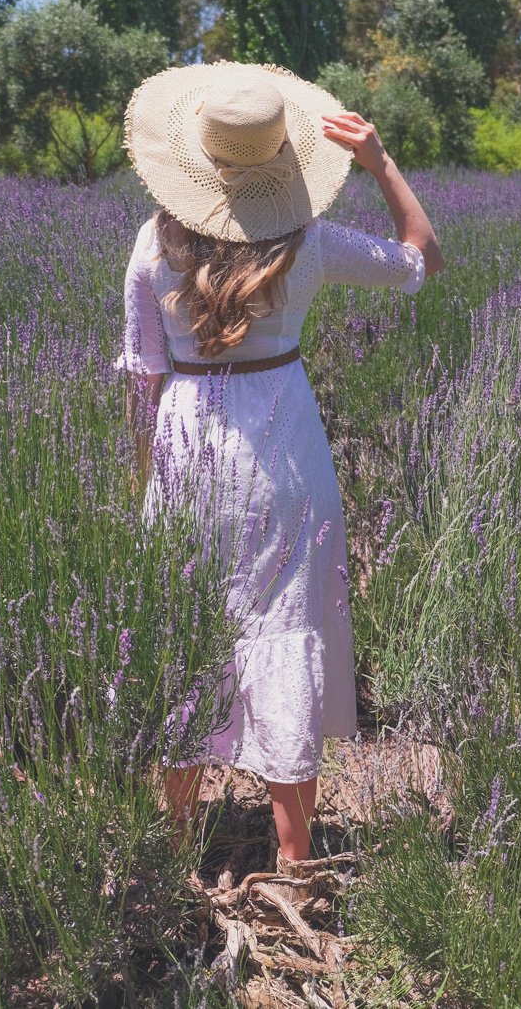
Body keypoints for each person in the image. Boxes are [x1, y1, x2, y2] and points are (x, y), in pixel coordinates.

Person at [117, 62, 444, 869]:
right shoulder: (312, 244)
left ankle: (176, 847)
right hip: (286, 454)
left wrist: (142, 478)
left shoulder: (151, 244)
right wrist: (380, 160)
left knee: (187, 632)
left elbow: (142, 377)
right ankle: (295, 861)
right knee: (286, 628)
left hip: (186, 454)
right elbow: (422, 260)